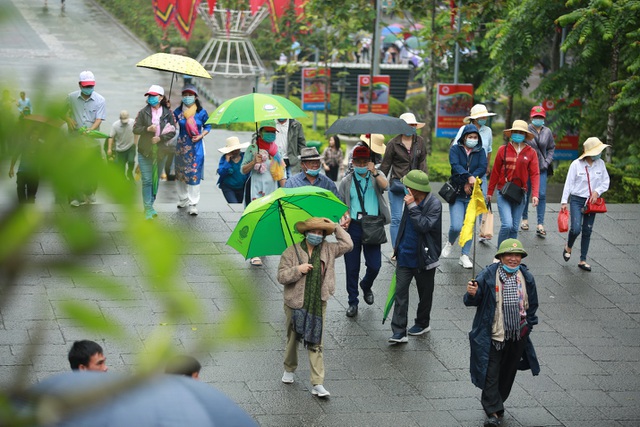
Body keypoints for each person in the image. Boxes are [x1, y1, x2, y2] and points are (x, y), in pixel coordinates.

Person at [463, 239, 539, 427]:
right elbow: (472, 301)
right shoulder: (488, 275)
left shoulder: (526, 276)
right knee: (491, 372)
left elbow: (533, 304)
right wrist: (472, 293)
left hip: (517, 335)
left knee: (508, 372)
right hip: (493, 335)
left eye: (517, 255)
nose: (513, 259)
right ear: (501, 257)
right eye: (509, 255)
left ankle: (497, 403)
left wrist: (528, 325)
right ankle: (492, 412)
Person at [277, 217, 353, 397]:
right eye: (314, 232)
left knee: (316, 340)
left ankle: (317, 382)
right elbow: (281, 276)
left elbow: (348, 244)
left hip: (318, 302)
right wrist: (298, 270)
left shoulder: (329, 249)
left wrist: (335, 227)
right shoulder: (291, 252)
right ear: (305, 233)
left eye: (321, 233)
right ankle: (289, 368)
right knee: (293, 338)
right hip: (295, 303)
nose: (317, 236)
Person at [389, 170, 442, 343]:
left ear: (416, 189)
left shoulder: (434, 204)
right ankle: (399, 331)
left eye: (408, 186)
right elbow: (404, 225)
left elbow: (424, 226)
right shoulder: (409, 199)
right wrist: (397, 248)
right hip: (405, 254)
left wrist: (412, 206)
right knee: (400, 293)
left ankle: (422, 322)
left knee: (425, 294)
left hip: (424, 257)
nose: (405, 188)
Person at [338, 145, 389, 317]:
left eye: (364, 161)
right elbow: (340, 204)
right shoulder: (346, 181)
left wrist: (374, 172)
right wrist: (344, 215)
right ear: (352, 162)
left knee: (375, 265)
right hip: (353, 227)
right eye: (357, 161)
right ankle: (353, 301)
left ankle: (366, 285)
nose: (361, 164)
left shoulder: (377, 176)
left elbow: (386, 186)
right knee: (352, 267)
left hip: (373, 225)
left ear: (370, 162)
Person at [561, 137, 610, 272]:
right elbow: (569, 183)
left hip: (592, 201)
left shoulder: (600, 163)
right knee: (576, 228)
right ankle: (568, 246)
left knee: (587, 230)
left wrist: (597, 192)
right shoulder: (576, 164)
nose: (599, 153)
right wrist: (564, 201)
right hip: (577, 200)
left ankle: (583, 260)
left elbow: (605, 181)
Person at [487, 120, 540, 249]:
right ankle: (500, 253)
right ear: (511, 133)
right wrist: (489, 192)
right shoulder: (502, 150)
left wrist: (535, 194)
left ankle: (510, 253)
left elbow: (535, 174)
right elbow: (495, 172)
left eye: (521, 132)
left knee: (515, 228)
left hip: (520, 194)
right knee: (507, 224)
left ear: (525, 135)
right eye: (515, 132)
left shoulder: (531, 152)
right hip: (503, 192)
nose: (518, 134)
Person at [441, 124, 488, 269]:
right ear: (464, 137)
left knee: (469, 225)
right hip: (457, 193)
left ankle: (464, 255)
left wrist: (473, 179)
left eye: (475, 137)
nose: (473, 140)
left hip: (473, 194)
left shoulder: (480, 151)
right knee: (456, 226)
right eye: (470, 137)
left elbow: (482, 167)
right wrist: (468, 178)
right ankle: (450, 242)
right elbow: (455, 167)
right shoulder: (455, 149)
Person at [379, 112, 427, 249]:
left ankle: (413, 246)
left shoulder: (420, 142)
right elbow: (385, 166)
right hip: (397, 184)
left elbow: (423, 162)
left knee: (414, 217)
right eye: (408, 125)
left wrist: (423, 183)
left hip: (415, 186)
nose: (411, 127)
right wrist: (380, 185)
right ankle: (396, 249)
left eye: (413, 125)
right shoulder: (393, 143)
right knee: (396, 219)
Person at [241, 119, 285, 266]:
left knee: (267, 220)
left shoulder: (275, 150)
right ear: (260, 132)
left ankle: (262, 247)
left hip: (271, 189)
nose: (271, 134)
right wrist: (254, 162)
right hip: (255, 189)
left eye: (273, 132)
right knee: (255, 218)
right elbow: (243, 170)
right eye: (268, 132)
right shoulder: (252, 148)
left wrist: (284, 190)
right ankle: (254, 253)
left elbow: (280, 172)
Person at [133, 85, 176, 220]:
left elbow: (173, 131)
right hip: (145, 151)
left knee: (155, 180)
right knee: (147, 180)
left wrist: (160, 138)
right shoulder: (143, 112)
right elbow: (135, 129)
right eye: (149, 96)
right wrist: (147, 129)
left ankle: (150, 205)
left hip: (161, 152)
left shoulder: (168, 113)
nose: (151, 98)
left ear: (161, 97)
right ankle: (148, 208)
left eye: (154, 95)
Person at [454, 104, 496, 243]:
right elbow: (457, 148)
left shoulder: (488, 130)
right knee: (465, 200)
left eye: (485, 116)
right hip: (465, 171)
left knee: (481, 199)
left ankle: (481, 230)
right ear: (475, 118)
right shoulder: (463, 130)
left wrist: (487, 165)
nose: (484, 118)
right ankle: (463, 226)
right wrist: (466, 175)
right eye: (481, 116)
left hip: (480, 170)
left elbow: (488, 149)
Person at [65, 70, 106, 207]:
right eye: (86, 86)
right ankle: (76, 196)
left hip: (91, 141)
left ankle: (89, 192)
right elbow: (61, 111)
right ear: (80, 85)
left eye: (91, 86)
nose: (89, 89)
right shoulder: (71, 97)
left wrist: (91, 129)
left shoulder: (100, 100)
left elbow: (99, 119)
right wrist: (68, 119)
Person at [173, 84, 211, 216]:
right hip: (181, 148)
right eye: (185, 95)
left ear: (195, 97)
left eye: (190, 95)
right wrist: (167, 108)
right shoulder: (178, 112)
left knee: (194, 175)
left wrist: (201, 135)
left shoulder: (201, 112)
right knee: (181, 176)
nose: (187, 97)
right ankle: (183, 199)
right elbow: (170, 123)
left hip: (196, 148)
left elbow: (208, 126)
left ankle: (193, 203)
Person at [522, 106, 556, 237]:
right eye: (536, 117)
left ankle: (540, 223)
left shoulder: (547, 131)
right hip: (527, 168)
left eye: (540, 117)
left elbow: (552, 147)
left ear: (544, 118)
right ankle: (524, 219)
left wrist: (547, 162)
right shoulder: (526, 130)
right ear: (531, 117)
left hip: (541, 168)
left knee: (541, 194)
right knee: (526, 193)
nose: (538, 119)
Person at [216, 136, 250, 204]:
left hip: (242, 187)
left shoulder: (245, 157)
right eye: (233, 150)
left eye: (236, 149)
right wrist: (227, 161)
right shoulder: (224, 158)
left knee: (239, 205)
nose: (235, 151)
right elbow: (221, 172)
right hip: (228, 187)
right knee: (234, 204)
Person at [107, 110, 137, 181]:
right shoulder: (115, 125)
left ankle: (129, 173)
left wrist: (135, 142)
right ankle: (123, 179)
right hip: (120, 148)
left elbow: (137, 131)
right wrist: (109, 148)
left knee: (131, 161)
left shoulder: (133, 122)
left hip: (131, 146)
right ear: (120, 118)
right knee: (121, 166)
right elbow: (111, 137)